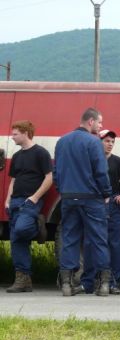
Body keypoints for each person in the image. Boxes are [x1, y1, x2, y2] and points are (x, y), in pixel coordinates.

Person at [53, 107, 112, 297]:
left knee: (69, 239)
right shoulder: (94, 142)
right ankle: (103, 285)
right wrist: (106, 192)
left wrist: (63, 190)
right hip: (91, 198)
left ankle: (67, 286)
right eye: (100, 122)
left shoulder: (62, 141)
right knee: (99, 240)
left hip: (68, 198)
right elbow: (100, 171)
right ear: (91, 122)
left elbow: (56, 172)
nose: (101, 126)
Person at [80, 129, 120, 295]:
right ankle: (90, 282)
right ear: (98, 142)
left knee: (115, 245)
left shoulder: (118, 162)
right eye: (106, 141)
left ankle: (115, 282)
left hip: (113, 206)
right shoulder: (90, 161)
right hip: (94, 203)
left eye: (112, 142)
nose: (110, 144)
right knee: (91, 242)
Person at [3, 121, 52, 293]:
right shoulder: (17, 156)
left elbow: (49, 178)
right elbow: (13, 180)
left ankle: (38, 226)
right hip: (15, 202)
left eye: (15, 133)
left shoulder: (41, 153)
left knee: (21, 230)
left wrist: (34, 197)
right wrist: (8, 200)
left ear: (25, 133)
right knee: (17, 239)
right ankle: (23, 279)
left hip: (30, 202)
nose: (12, 136)